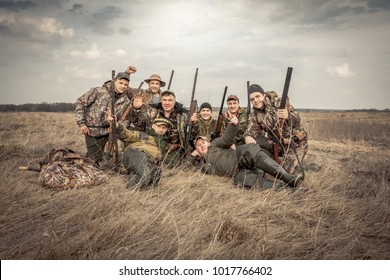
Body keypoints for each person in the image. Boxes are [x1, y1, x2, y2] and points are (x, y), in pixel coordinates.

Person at [190, 112, 303, 190]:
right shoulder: (202, 165)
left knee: (246, 149)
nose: (201, 145)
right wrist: (193, 154)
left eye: (202, 142)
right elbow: (188, 163)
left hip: (241, 160)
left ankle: (288, 178)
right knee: (241, 180)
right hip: (238, 172)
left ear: (208, 143)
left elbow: (227, 138)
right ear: (197, 151)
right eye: (198, 145)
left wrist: (233, 125)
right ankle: (284, 188)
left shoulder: (215, 144)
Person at [244, 84, 308, 175]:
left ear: (263, 94)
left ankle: (299, 164)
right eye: (252, 99)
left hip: (294, 142)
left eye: (257, 96)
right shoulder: (255, 114)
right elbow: (251, 129)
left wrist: (288, 116)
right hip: (277, 143)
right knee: (259, 146)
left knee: (286, 174)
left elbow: (297, 119)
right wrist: (248, 136)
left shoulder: (279, 102)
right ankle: (274, 161)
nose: (255, 100)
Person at [75, 72, 131, 166]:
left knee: (112, 160)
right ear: (114, 81)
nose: (123, 86)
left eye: (126, 84)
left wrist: (115, 124)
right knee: (92, 161)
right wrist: (82, 124)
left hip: (109, 132)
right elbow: (80, 102)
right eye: (120, 83)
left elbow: (124, 120)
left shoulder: (126, 101)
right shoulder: (98, 91)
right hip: (92, 131)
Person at [108, 115, 171, 189]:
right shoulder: (144, 135)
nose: (161, 129)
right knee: (145, 176)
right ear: (153, 126)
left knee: (156, 172)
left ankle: (133, 186)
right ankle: (129, 192)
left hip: (146, 161)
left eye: (164, 128)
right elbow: (128, 134)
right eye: (159, 126)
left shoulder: (163, 144)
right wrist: (117, 125)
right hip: (136, 154)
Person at [154, 90, 188, 167]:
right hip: (157, 146)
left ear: (174, 101)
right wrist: (137, 108)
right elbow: (139, 123)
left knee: (171, 163)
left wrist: (194, 123)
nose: (167, 103)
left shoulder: (183, 114)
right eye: (164, 100)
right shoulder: (154, 112)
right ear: (161, 101)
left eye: (170, 100)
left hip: (175, 149)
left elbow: (191, 133)